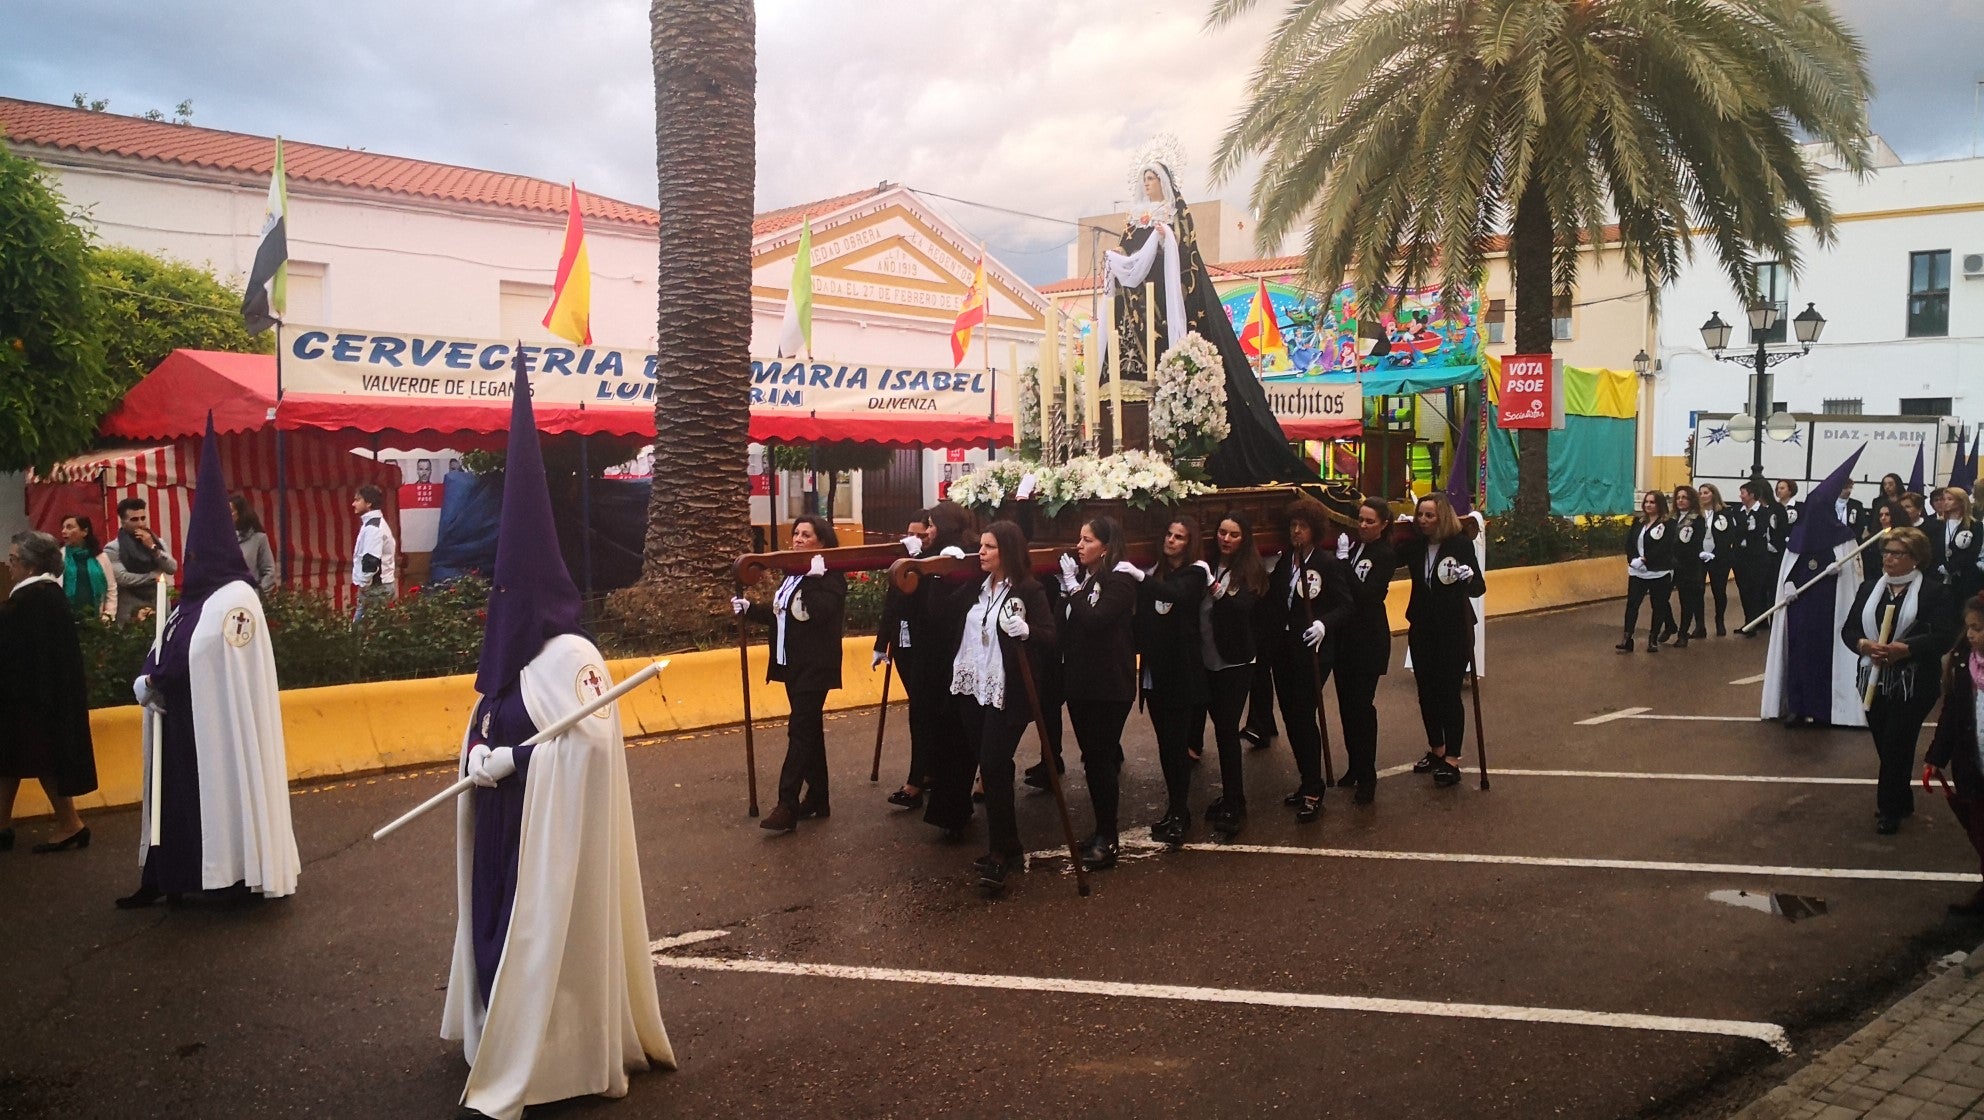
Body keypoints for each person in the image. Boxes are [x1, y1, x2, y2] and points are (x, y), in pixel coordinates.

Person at [441, 359, 673, 1119]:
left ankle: (555, 1054)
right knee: (497, 931)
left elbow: (592, 748)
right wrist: (476, 756)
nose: (497, 604)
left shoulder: (572, 657)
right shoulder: (510, 660)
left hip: (550, 840)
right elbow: (486, 718)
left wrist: (524, 760)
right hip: (505, 829)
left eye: (509, 591)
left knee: (544, 940)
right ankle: (496, 1032)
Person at [118, 418, 298, 908]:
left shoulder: (236, 596)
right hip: (179, 720)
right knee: (172, 801)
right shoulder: (195, 597)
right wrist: (149, 670)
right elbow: (172, 639)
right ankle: (170, 876)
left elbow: (205, 653)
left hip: (214, 727)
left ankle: (231, 875)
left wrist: (158, 677)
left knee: (212, 798)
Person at [1101, 157, 1317, 487]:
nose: (1146, 183)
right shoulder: (1132, 222)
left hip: (1165, 298)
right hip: (1135, 307)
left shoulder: (1175, 215)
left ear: (1164, 182)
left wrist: (1166, 241)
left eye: (1152, 178)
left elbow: (1187, 256)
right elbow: (1126, 260)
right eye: (1143, 178)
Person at [944, 520, 1055, 891]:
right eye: (981, 546)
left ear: (1006, 551)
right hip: (974, 687)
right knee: (993, 768)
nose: (982, 552)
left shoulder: (1028, 589)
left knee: (992, 763)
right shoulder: (978, 587)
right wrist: (936, 567)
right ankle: (1009, 844)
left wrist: (1027, 632)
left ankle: (1000, 852)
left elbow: (1051, 636)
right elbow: (945, 612)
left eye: (989, 547)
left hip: (1008, 691)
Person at [732, 514, 847, 833]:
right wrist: (750, 609)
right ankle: (819, 797)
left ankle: (787, 803)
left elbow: (822, 614)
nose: (797, 538)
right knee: (808, 731)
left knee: (799, 731)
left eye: (805, 535)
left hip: (816, 667)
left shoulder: (830, 576)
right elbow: (782, 615)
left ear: (821, 542)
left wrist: (814, 577)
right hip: (791, 664)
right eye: (796, 533)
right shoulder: (793, 575)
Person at [1842, 526, 1955, 836]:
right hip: (1872, 680)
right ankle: (1901, 797)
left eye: (1896, 553)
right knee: (1887, 742)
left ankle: (1889, 809)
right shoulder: (1869, 589)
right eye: (1886, 552)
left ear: (1915, 559)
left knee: (1897, 743)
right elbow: (1849, 630)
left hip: (1914, 682)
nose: (1888, 559)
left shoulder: (1934, 593)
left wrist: (1907, 649)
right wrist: (1865, 646)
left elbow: (1945, 636)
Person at [0, 531, 96, 853]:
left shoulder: (30, 600)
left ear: (29, 565)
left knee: (34, 759)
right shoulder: (48, 596)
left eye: (13, 559)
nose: (9, 566)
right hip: (40, 694)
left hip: (28, 697)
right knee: (15, 760)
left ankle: (70, 824)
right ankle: (6, 825)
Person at [1054, 515, 1142, 870]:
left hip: (1108, 686)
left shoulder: (1120, 581)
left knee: (1102, 760)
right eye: (1079, 539)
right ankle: (1100, 831)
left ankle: (1109, 837)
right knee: (1091, 759)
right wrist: (1066, 591)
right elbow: (1066, 625)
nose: (1079, 546)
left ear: (1105, 547)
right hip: (1080, 684)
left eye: (1087, 540)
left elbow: (1096, 621)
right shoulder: (1085, 580)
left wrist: (1074, 588)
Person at [1764, 450, 1872, 729]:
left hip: (1830, 608)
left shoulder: (1844, 538)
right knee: (1798, 654)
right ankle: (1798, 707)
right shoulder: (1798, 536)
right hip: (1800, 606)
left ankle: (1825, 709)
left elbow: (1854, 577)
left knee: (1826, 657)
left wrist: (1840, 570)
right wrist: (1787, 586)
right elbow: (1788, 568)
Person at [1261, 498, 1354, 821]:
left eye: (1302, 526)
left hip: (1312, 650)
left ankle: (1314, 787)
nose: (1296, 531)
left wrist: (1322, 624)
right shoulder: (1287, 560)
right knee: (1290, 716)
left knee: (1303, 715)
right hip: (1284, 647)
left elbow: (1346, 605)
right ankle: (1306, 780)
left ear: (1314, 530)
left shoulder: (1326, 563)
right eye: (1292, 526)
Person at [1399, 492, 1487, 788]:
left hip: (1454, 629)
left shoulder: (1459, 545)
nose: (1422, 521)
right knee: (1426, 691)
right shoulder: (1416, 546)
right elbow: (1387, 559)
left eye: (1429, 515)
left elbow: (1478, 587)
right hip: (1423, 626)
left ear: (1442, 518)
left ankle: (1452, 757)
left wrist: (1467, 578)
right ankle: (1436, 748)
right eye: (1419, 515)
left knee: (1448, 692)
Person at [1138, 516, 1210, 845]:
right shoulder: (1157, 573)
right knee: (1166, 747)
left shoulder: (1195, 574)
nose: (1171, 541)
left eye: (1179, 537)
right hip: (1156, 674)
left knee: (1178, 747)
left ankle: (1181, 811)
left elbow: (1176, 596)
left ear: (1189, 542)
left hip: (1180, 675)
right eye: (1168, 534)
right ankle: (1174, 808)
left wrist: (1140, 577)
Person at [1198, 513, 1267, 835]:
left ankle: (1235, 802)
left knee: (1227, 732)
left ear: (1244, 539)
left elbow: (1240, 609)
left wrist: (1213, 587)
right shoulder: (1212, 563)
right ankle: (1230, 795)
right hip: (1209, 659)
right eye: (1222, 532)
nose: (1225, 539)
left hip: (1235, 663)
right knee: (1220, 730)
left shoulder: (1251, 569)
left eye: (1234, 534)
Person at [1334, 498, 1397, 803]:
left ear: (1384, 524)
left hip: (1368, 640)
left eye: (1370, 521)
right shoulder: (1356, 547)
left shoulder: (1384, 554)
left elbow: (1366, 597)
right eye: (1361, 519)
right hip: (1344, 639)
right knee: (1346, 708)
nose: (1363, 525)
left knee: (1361, 708)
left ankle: (1368, 775)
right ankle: (1354, 766)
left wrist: (1344, 564)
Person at [1926, 593, 1984, 916]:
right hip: (1973, 765)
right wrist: (1936, 756)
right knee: (1978, 830)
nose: (1971, 634)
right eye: (1969, 627)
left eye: (1978, 628)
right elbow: (1951, 714)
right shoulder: (1964, 665)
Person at [876, 510, 936, 810]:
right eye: (911, 534)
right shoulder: (901, 564)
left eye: (922, 535)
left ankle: (917, 778)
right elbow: (891, 604)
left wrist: (919, 566)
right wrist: (880, 645)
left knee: (922, 711)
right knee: (919, 708)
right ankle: (925, 770)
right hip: (903, 646)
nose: (916, 540)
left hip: (926, 647)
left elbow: (923, 604)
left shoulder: (934, 563)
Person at [1618, 490, 1677, 653]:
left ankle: (1653, 639)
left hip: (1659, 571)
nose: (1648, 505)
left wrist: (1646, 560)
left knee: (1658, 606)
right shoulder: (1638, 521)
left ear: (1660, 505)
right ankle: (1627, 638)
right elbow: (1630, 543)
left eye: (1652, 502)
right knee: (1632, 604)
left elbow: (1665, 547)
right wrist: (1634, 560)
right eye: (1647, 502)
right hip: (1638, 571)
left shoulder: (1669, 524)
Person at [103, 496, 177, 623]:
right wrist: (153, 576)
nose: (140, 523)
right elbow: (122, 578)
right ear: (123, 521)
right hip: (131, 613)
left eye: (143, 518)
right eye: (134, 520)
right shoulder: (113, 548)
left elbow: (172, 568)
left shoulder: (157, 543)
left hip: (159, 608)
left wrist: (153, 548)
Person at [1732, 480, 1785, 634]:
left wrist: (1745, 531)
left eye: (1743, 493)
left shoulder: (1764, 512)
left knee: (1756, 589)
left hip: (1757, 556)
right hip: (1740, 555)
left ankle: (1754, 622)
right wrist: (1745, 531)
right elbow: (1737, 532)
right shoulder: (1737, 511)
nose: (1740, 496)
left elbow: (1758, 531)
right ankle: (1748, 620)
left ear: (1752, 495)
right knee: (1743, 589)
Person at [350, 484, 397, 621]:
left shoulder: (373, 528)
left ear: (368, 503)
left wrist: (363, 584)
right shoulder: (373, 524)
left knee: (362, 633)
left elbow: (370, 561)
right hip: (377, 587)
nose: (354, 504)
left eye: (358, 500)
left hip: (376, 588)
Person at [1933, 488, 1983, 610]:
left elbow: (1972, 552)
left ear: (1961, 502)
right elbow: (1934, 549)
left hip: (1964, 578)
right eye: (1944, 499)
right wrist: (1941, 566)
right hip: (1940, 577)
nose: (1945, 502)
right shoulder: (1938, 525)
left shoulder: (1974, 525)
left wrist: (1951, 567)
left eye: (1950, 499)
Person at [58, 514, 115, 620]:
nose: (63, 531)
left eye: (69, 527)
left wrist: (109, 616)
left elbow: (111, 588)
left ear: (84, 532)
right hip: (66, 618)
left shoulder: (101, 557)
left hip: (96, 619)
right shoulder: (59, 557)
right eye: (63, 527)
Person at [1670, 486, 1707, 649]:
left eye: (1684, 498)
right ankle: (1670, 625)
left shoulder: (1697, 519)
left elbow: (1695, 543)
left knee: (1687, 601)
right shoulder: (1671, 519)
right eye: (1678, 498)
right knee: (1661, 599)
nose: (1680, 501)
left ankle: (1683, 634)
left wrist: (1681, 558)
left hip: (1688, 565)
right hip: (1669, 564)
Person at [1698, 484, 1734, 637]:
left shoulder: (1725, 513)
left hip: (1719, 558)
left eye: (1706, 493)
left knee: (1719, 590)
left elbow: (1729, 535)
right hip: (1699, 557)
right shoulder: (1696, 514)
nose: (1702, 495)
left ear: (1713, 494)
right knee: (1698, 590)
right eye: (1700, 493)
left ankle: (1719, 620)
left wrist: (1716, 553)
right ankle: (1700, 626)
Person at [231, 495, 277, 594]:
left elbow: (269, 571)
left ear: (241, 513)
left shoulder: (259, 538)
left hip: (248, 599)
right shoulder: (222, 538)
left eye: (231, 512)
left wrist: (257, 593)